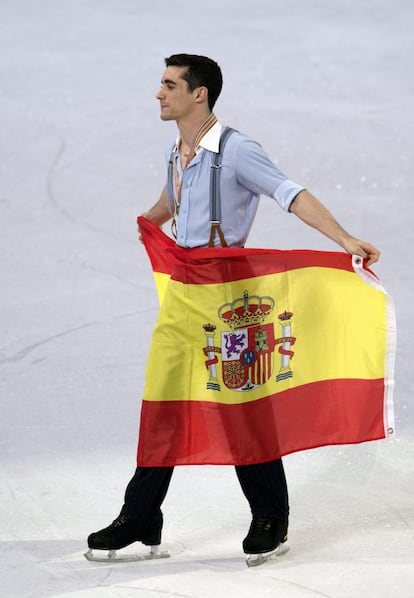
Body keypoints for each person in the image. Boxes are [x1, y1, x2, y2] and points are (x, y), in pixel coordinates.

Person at [87, 54, 380, 559]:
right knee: (164, 402)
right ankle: (141, 515)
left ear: (198, 93)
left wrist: (345, 237)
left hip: (227, 299)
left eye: (168, 85)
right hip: (184, 294)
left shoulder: (238, 150)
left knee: (241, 404)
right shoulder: (175, 149)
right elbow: (174, 197)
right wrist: (150, 220)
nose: (159, 93)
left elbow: (291, 193)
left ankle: (271, 516)